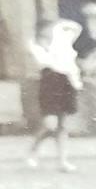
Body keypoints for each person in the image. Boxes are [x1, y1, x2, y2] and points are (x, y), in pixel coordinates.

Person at [25, 19, 83, 172]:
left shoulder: (61, 41)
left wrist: (62, 24)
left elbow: (77, 28)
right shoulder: (35, 45)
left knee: (62, 125)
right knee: (50, 125)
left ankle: (62, 161)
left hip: (66, 82)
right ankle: (33, 151)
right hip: (50, 81)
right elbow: (45, 62)